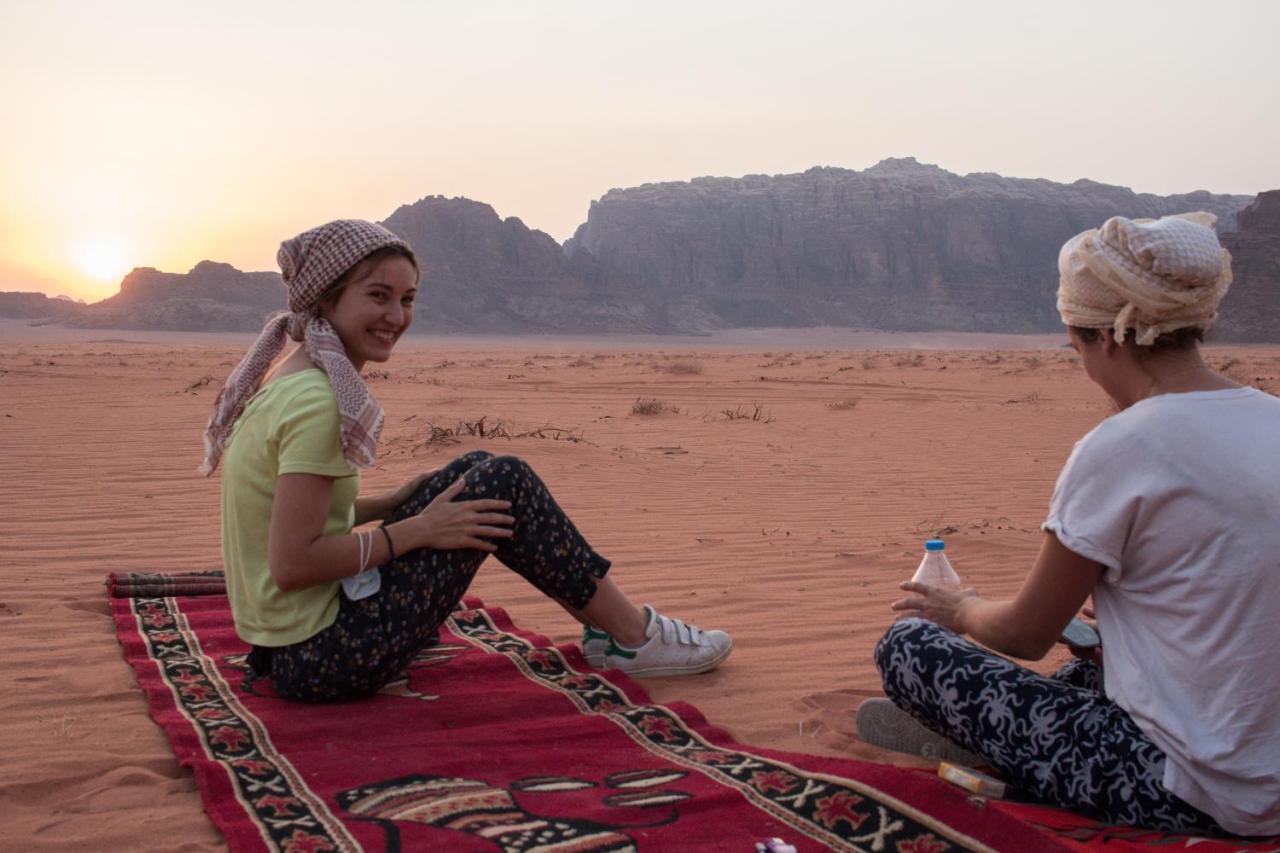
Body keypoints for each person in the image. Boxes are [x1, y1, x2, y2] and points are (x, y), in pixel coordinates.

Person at [857, 212, 1280, 836]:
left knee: (908, 649)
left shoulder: (1122, 446)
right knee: (1090, 663)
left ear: (1108, 338)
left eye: (1077, 346)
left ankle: (1015, 756)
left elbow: (1025, 633)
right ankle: (1023, 740)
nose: (1084, 365)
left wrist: (960, 607)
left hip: (1198, 789)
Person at [201, 219, 731, 703]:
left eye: (407, 299)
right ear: (328, 296)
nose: (396, 317)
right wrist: (418, 530)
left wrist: (397, 502)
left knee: (475, 466)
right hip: (322, 658)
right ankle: (633, 636)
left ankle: (609, 630)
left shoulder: (285, 380)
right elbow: (293, 564)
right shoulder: (316, 401)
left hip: (283, 647)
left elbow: (290, 516)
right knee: (506, 479)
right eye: (378, 296)